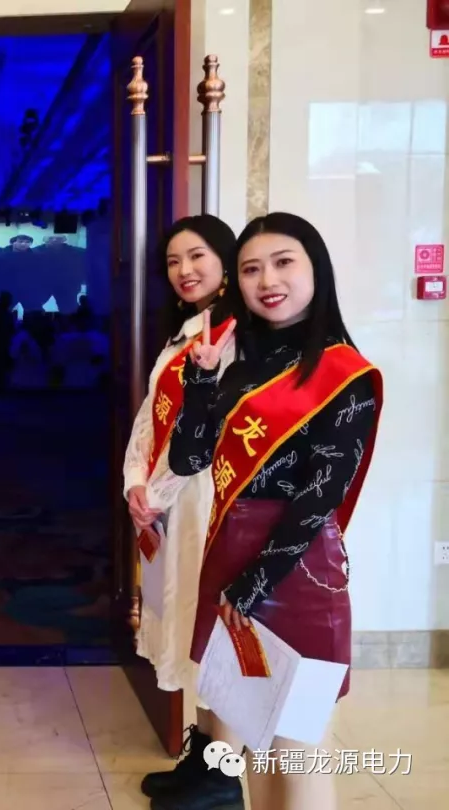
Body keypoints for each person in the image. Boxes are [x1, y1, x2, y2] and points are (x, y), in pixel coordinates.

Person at [164, 213, 382, 810]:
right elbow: (188, 460)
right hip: (231, 553)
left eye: (284, 263)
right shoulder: (240, 365)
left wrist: (255, 582)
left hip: (296, 569)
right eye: (251, 269)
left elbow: (321, 496)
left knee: (298, 748)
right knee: (255, 738)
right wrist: (200, 382)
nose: (267, 280)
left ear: (316, 270)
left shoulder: (343, 373)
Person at [123, 216, 241, 807]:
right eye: (173, 261)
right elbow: (151, 418)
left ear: (226, 263)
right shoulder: (185, 334)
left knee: (209, 636)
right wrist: (134, 483)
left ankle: (222, 777)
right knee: (185, 624)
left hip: (203, 504)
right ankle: (202, 757)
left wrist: (156, 494)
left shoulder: (236, 336)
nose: (184, 270)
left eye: (197, 256)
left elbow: (209, 433)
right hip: (169, 503)